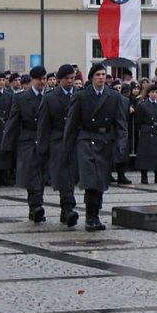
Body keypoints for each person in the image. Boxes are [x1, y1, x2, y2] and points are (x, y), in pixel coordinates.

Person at [63, 63, 128, 231]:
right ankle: (90, 217)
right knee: (90, 180)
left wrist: (121, 144)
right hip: (86, 140)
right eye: (98, 74)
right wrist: (67, 147)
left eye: (103, 74)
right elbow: (71, 123)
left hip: (105, 140)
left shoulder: (114, 96)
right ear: (92, 77)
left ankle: (96, 216)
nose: (101, 77)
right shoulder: (82, 96)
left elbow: (121, 123)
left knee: (101, 181)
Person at [1, 66, 47, 222]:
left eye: (44, 78)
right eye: (40, 79)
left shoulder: (49, 96)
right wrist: (6, 144)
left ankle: (35, 207)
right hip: (27, 139)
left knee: (41, 175)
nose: (43, 82)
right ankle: (36, 206)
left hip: (44, 139)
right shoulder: (21, 98)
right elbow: (13, 121)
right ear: (32, 80)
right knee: (31, 174)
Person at [37, 64, 79, 227]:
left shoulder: (79, 94)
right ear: (59, 80)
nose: (70, 81)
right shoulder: (50, 98)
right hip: (58, 140)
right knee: (64, 176)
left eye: (72, 78)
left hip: (76, 140)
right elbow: (43, 124)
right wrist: (42, 147)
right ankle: (68, 208)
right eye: (67, 78)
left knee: (73, 176)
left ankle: (67, 210)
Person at [135, 84, 157, 184]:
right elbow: (138, 120)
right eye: (152, 92)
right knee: (145, 155)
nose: (154, 94)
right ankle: (144, 176)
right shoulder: (142, 105)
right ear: (149, 93)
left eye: (156, 92)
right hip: (147, 131)